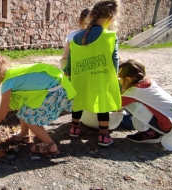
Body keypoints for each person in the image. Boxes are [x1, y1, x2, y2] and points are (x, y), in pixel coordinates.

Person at [0, 45, 77, 155]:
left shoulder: (8, 82)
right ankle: (25, 135)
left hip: (55, 92)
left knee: (28, 117)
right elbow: (12, 105)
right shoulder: (11, 72)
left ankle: (50, 145)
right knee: (24, 109)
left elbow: (2, 112)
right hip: (57, 86)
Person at [63, 0, 121, 147]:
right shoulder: (110, 37)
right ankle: (103, 135)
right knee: (103, 103)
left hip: (80, 77)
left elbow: (70, 58)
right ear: (111, 18)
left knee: (78, 101)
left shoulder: (76, 36)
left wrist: (68, 72)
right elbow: (114, 61)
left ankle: (74, 128)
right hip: (100, 78)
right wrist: (115, 79)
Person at [118, 59, 172, 151]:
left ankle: (150, 134)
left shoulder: (134, 92)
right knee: (138, 104)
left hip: (168, 127)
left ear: (127, 79)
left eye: (120, 80)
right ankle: (154, 131)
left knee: (133, 105)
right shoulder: (149, 83)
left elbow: (116, 105)